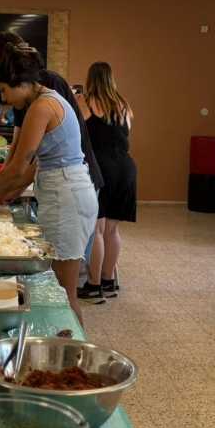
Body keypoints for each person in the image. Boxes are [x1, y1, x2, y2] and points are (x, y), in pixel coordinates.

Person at [0, 32, 105, 300]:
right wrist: (3, 191)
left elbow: (18, 166)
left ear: (19, 81)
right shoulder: (42, 99)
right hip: (64, 194)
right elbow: (30, 163)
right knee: (58, 291)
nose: (4, 98)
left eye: (3, 90)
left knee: (63, 294)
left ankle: (70, 330)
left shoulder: (42, 106)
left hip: (67, 199)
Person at [76, 62, 137, 303]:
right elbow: (124, 134)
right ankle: (108, 280)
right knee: (112, 230)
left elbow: (76, 131)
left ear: (90, 79)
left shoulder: (86, 102)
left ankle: (93, 285)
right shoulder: (124, 105)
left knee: (97, 231)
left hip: (101, 169)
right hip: (126, 168)